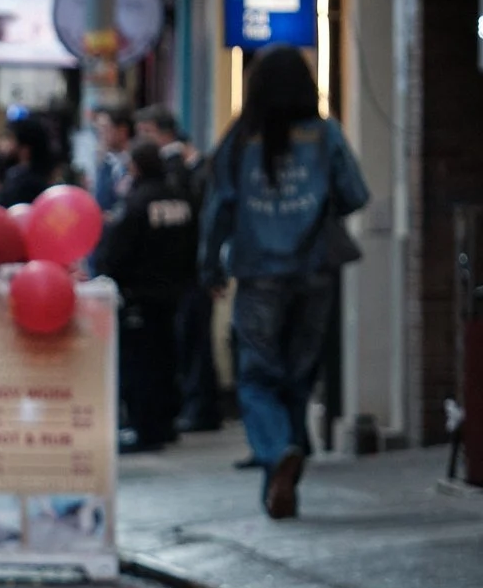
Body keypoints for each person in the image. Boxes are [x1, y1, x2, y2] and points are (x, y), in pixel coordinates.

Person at [199, 46, 368, 519]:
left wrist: (209, 267)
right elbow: (355, 194)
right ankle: (288, 464)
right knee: (298, 375)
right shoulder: (325, 135)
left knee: (256, 377)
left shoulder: (240, 140)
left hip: (258, 274)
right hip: (315, 270)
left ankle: (277, 454)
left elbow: (218, 213)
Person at [96, 139, 197, 450]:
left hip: (140, 295)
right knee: (167, 359)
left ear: (135, 167)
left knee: (141, 366)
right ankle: (166, 424)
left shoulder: (137, 202)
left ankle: (146, 429)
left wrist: (108, 274)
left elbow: (117, 251)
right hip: (174, 291)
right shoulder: (180, 197)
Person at [137, 104, 220, 432]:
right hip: (185, 267)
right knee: (186, 337)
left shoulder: (188, 168)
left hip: (193, 266)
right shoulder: (185, 167)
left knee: (194, 337)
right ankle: (194, 404)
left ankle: (201, 407)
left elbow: (201, 213)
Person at [92, 105, 134, 214]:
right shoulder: (108, 160)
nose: (100, 135)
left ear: (122, 131)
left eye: (105, 129)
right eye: (98, 130)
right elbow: (101, 202)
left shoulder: (136, 160)